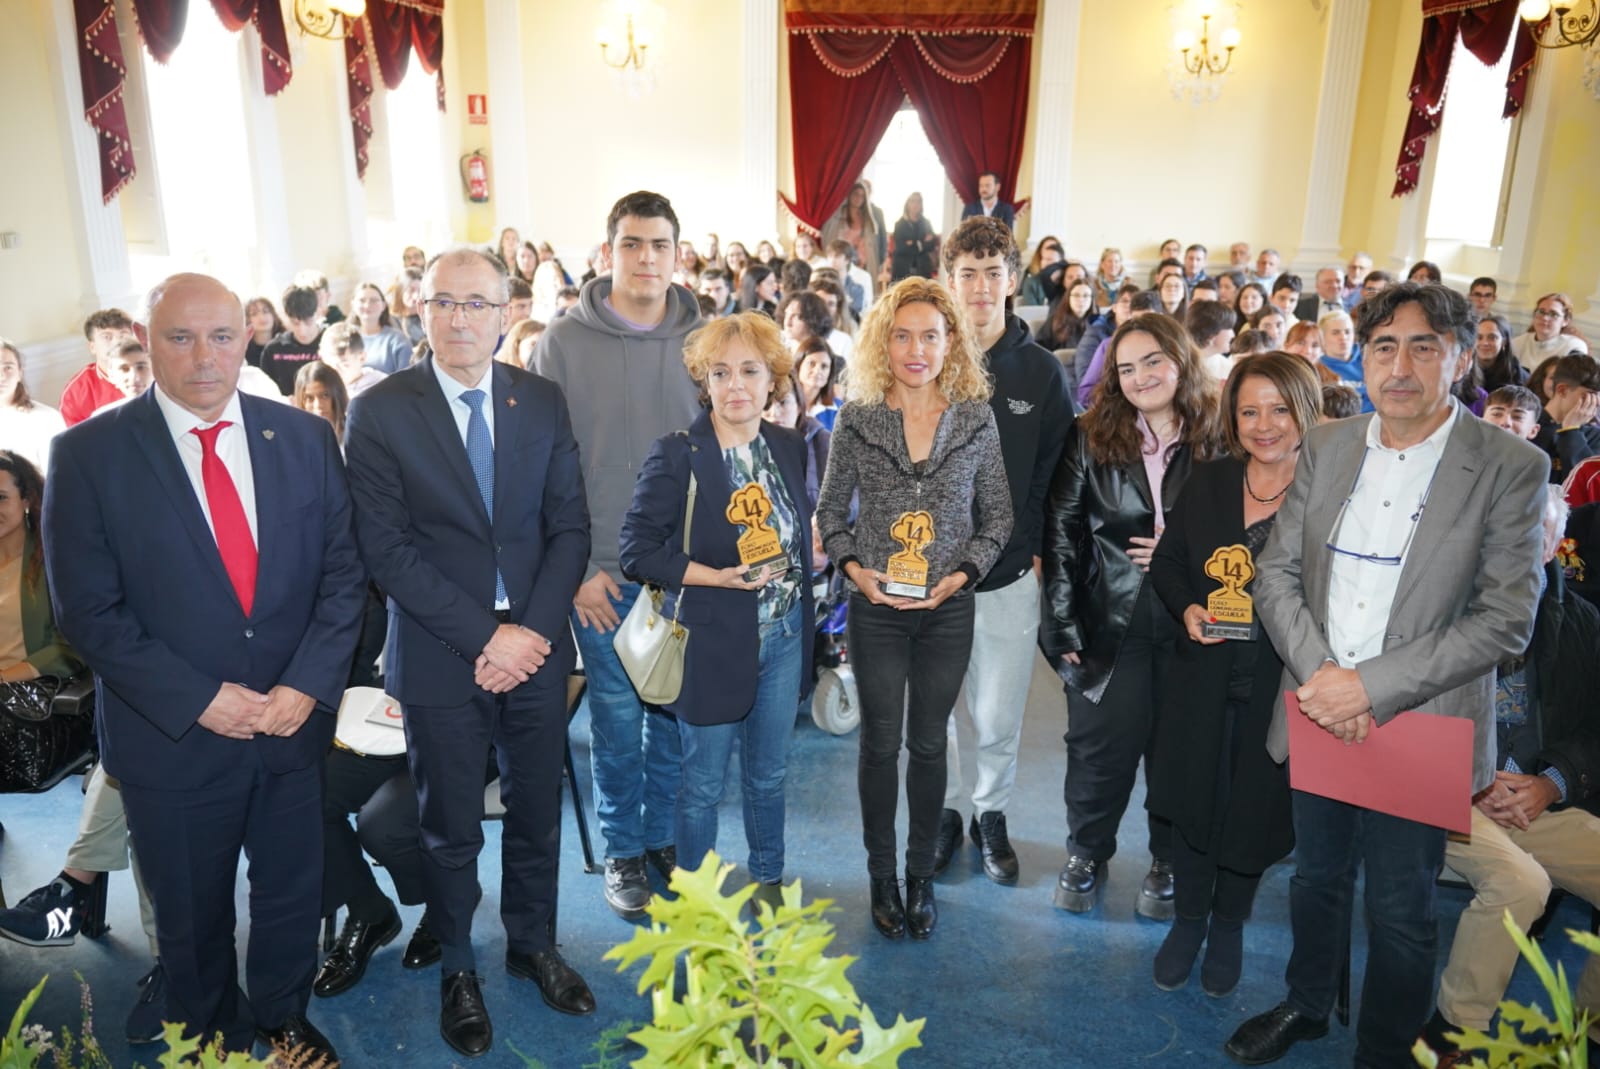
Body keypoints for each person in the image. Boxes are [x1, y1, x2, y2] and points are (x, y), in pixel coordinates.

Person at [42, 272, 366, 1061]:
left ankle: (283, 1015)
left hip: (289, 724)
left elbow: (343, 578)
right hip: (173, 738)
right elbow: (88, 611)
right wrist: (199, 698)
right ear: (147, 344)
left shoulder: (301, 437)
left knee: (291, 892)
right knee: (191, 913)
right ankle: (211, 1028)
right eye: (180, 338)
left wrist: (305, 685)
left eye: (221, 336)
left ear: (245, 339)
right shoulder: (88, 454)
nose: (203, 357)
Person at [1225, 281, 1548, 1068]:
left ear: (1462, 357)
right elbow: (1274, 576)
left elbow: (1505, 615)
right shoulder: (1331, 444)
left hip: (1423, 720)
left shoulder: (1511, 464)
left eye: (1423, 346)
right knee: (1317, 876)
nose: (1399, 366)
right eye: (1383, 346)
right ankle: (1308, 1002)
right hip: (1316, 701)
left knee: (1403, 910)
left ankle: (1383, 1050)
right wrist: (1323, 676)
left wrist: (1368, 687)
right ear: (1361, 358)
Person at [346, 248, 595, 1056]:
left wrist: (529, 635)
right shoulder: (381, 410)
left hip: (535, 645)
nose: (460, 318)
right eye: (444, 303)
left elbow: (571, 529)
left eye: (477, 304)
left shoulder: (541, 400)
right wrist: (489, 637)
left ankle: (532, 943)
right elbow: (387, 551)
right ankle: (459, 964)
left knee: (534, 813)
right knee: (448, 824)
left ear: (503, 311)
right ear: (422, 311)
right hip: (442, 648)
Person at [816, 277, 1012, 940]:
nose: (915, 348)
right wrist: (853, 571)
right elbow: (828, 512)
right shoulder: (857, 416)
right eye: (901, 335)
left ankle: (920, 876)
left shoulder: (975, 417)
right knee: (879, 743)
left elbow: (999, 517)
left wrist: (961, 575)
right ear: (883, 341)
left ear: (951, 340)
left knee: (929, 743)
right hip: (875, 607)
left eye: (930, 334)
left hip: (947, 608)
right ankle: (881, 875)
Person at [533, 191, 703, 920]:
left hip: (689, 573)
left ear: (676, 254)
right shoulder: (563, 343)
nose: (645, 258)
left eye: (659, 245)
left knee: (677, 718)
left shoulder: (706, 338)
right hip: (603, 575)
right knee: (614, 721)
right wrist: (574, 572)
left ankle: (663, 838)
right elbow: (542, 464)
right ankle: (623, 849)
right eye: (632, 244)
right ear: (608, 253)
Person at [619, 312, 815, 906]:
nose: (736, 386)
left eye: (750, 371)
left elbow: (791, 531)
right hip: (710, 640)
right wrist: (718, 579)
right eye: (722, 372)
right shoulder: (679, 454)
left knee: (769, 775)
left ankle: (770, 880)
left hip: (782, 635)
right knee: (701, 786)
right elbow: (636, 550)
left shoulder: (787, 444)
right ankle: (699, 901)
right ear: (704, 380)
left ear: (772, 379)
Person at [1147, 353, 1321, 997]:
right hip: (1202, 674)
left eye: (1279, 409)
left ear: (1306, 412)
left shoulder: (1326, 495)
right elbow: (1168, 562)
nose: (1264, 424)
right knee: (1194, 800)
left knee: (1251, 811)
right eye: (1249, 410)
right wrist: (1188, 606)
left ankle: (1227, 926)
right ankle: (1188, 922)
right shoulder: (1212, 480)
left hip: (1278, 688)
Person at [1040, 312, 1222, 917]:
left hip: (1192, 622)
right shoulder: (1090, 435)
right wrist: (1062, 622)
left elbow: (1244, 529)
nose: (1142, 376)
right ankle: (1086, 853)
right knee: (1100, 749)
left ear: (1180, 359)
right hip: (1107, 620)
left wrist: (1181, 548)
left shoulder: (1217, 434)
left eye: (1153, 361)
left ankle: (1166, 859)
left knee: (1177, 749)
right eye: (1126, 367)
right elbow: (1063, 535)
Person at [1420, 486, 1600, 1063]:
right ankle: (1452, 1035)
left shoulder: (1583, 622)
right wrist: (1474, 775)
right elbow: (1404, 712)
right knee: (1521, 883)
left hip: (1534, 796)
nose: (1521, 545)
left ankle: (1592, 1023)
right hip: (1441, 791)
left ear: (1554, 545)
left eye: (1536, 533)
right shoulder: (1435, 609)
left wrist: (1552, 783)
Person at [932, 217, 1072, 885]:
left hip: (1009, 571)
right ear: (946, 280)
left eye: (993, 273)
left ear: (1013, 281)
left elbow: (1055, 471)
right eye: (967, 273)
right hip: (927, 574)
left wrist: (1039, 552)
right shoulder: (921, 356)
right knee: (939, 706)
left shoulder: (1041, 372)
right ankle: (949, 811)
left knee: (996, 708)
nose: (981, 287)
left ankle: (992, 813)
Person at [764, 368, 830, 508]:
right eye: (766, 405)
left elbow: (852, 492)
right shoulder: (748, 448)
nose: (773, 413)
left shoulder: (823, 441)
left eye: (783, 402)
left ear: (799, 407)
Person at [59, 309, 137, 425]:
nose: (117, 342)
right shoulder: (77, 391)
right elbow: (73, 439)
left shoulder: (152, 374)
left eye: (123, 335)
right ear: (92, 347)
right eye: (107, 337)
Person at [0, 341, 67, 476]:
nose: (2, 376)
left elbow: (58, 476)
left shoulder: (47, 419)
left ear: (20, 373)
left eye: (8, 367)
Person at [1531, 353, 1600, 483]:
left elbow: (1584, 484)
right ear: (1562, 390)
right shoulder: (1528, 424)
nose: (1596, 403)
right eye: (1590, 396)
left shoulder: (1595, 436)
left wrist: (1571, 431)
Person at [260, 285, 324, 396]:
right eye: (295, 323)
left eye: (308, 322)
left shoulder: (331, 345)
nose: (302, 331)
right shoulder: (273, 350)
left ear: (317, 313)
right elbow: (265, 394)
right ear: (285, 316)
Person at [821, 182, 882, 286]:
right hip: (842, 260)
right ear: (849, 195)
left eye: (862, 196)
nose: (858, 198)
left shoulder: (866, 218)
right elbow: (831, 238)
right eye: (856, 194)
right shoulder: (838, 216)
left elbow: (871, 243)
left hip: (862, 262)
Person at [1513, 292, 1590, 371]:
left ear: (1565, 321)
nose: (1545, 318)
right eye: (1541, 312)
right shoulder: (1517, 343)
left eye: (1553, 314)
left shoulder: (1573, 347)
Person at [351, 281, 414, 375]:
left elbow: (406, 377)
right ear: (353, 304)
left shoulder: (397, 340)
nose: (367, 305)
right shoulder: (345, 337)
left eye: (374, 300)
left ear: (383, 306)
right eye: (362, 300)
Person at [319, 321, 385, 401]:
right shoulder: (319, 389)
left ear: (362, 358)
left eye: (344, 365)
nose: (335, 372)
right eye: (328, 366)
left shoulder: (381, 387)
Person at [293, 359, 351, 446]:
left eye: (325, 395)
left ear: (338, 395)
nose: (318, 405)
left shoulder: (355, 433)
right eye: (309, 398)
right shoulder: (294, 439)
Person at [1037, 278, 1097, 357]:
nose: (1081, 300)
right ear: (1068, 298)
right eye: (1076, 295)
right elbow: (1039, 348)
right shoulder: (1055, 320)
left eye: (1086, 296)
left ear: (1091, 299)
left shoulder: (1099, 322)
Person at [1474, 312, 1528, 395]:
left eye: (1492, 337)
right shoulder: (1462, 371)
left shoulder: (1519, 377)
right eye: (1479, 337)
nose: (1485, 343)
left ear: (1504, 342)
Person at [890, 193, 939, 282]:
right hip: (903, 270)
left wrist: (913, 243)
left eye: (918, 202)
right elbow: (902, 248)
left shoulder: (927, 223)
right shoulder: (899, 225)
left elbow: (931, 245)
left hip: (922, 270)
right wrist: (921, 243)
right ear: (907, 204)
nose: (916, 204)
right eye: (913, 201)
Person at [1186, 299, 1238, 383]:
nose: (1233, 335)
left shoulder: (1228, 368)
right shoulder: (1179, 364)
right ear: (1210, 333)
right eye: (1229, 328)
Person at [1020, 236, 1065, 306]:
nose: (1044, 262)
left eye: (1049, 259)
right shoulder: (1031, 282)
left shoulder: (1067, 280)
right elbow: (1031, 312)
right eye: (1043, 259)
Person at [245, 297, 285, 369]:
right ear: (247, 320)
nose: (261, 317)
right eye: (254, 314)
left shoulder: (286, 344)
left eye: (266, 311)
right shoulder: (244, 349)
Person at [1092, 248, 1129, 313]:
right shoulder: (1094, 284)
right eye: (1110, 261)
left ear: (1120, 264)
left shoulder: (1129, 283)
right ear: (1102, 264)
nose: (1113, 265)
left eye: (1116, 261)